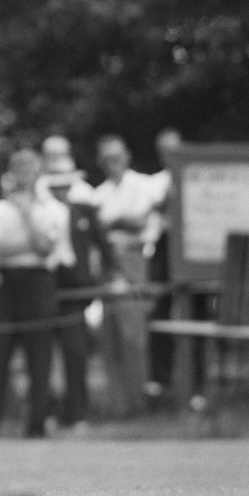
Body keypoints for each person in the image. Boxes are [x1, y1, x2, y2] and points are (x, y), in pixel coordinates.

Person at [0, 149, 71, 438]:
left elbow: (45, 248)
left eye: (30, 165)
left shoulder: (53, 209)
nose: (24, 171)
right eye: (18, 166)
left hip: (39, 284)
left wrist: (27, 215)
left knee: (39, 358)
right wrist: (27, 244)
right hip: (5, 285)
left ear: (39, 169)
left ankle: (37, 424)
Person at [90, 135, 160, 416]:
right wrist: (121, 223)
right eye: (106, 159)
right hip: (107, 264)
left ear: (127, 157)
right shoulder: (99, 193)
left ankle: (137, 403)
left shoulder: (144, 185)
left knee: (133, 336)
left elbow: (142, 223)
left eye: (116, 157)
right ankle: (117, 405)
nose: (112, 164)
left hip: (136, 260)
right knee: (110, 337)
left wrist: (117, 225)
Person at [44, 152, 111, 431]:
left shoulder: (84, 210)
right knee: (45, 357)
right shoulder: (42, 211)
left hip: (76, 293)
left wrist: (105, 279)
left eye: (65, 184)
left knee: (75, 354)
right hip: (46, 290)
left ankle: (77, 412)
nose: (62, 189)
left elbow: (103, 248)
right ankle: (47, 411)